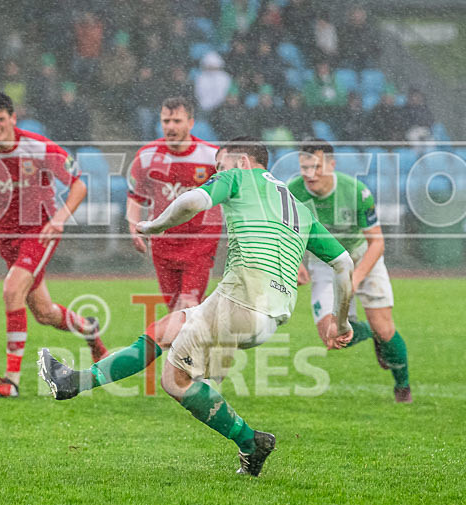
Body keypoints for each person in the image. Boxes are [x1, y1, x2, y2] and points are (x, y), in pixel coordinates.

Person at [38, 137, 355, 477]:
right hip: (269, 314)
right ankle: (74, 382)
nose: (216, 173)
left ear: (243, 162)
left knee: (175, 381)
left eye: (220, 167)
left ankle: (251, 441)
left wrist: (152, 225)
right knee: (162, 330)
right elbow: (344, 264)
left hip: (239, 303)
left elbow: (192, 201)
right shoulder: (298, 207)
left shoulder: (238, 177)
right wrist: (342, 320)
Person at [0, 91, 107, 398]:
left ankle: (11, 381)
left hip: (40, 229)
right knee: (44, 312)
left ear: (13, 118)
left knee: (12, 290)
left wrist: (60, 218)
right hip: (5, 237)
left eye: (0, 120)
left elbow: (79, 184)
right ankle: (89, 328)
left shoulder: (37, 146)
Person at [288, 139, 412, 403]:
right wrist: (296, 262)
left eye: (317, 166)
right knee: (332, 337)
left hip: (360, 255)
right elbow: (286, 235)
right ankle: (368, 332)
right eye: (305, 167)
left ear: (332, 165)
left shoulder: (356, 191)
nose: (310, 173)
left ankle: (403, 387)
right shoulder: (293, 192)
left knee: (385, 328)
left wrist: (355, 278)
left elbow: (377, 242)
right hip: (325, 262)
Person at [126, 97, 221, 312]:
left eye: (177, 121)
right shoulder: (147, 156)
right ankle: (201, 342)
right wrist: (133, 227)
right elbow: (135, 196)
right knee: (174, 311)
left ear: (191, 123)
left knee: (188, 305)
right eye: (166, 121)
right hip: (163, 242)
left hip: (199, 241)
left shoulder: (211, 157)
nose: (170, 127)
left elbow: (234, 192)